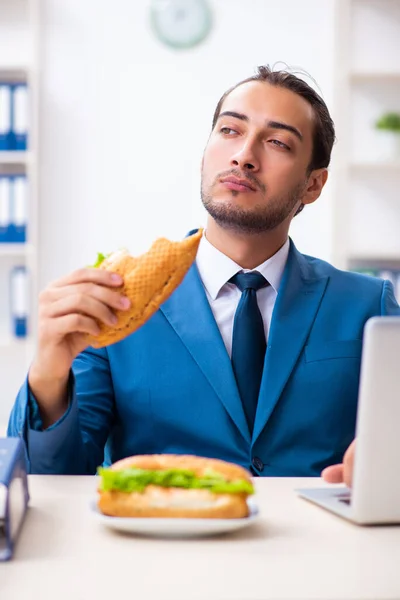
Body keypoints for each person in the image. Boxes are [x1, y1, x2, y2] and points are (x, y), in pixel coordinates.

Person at [8, 65, 400, 482]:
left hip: (322, 543)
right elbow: (51, 479)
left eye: (277, 142)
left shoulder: (367, 305)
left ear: (313, 185)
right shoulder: (115, 303)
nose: (244, 156)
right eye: (230, 131)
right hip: (162, 539)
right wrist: (49, 372)